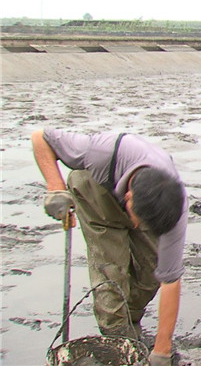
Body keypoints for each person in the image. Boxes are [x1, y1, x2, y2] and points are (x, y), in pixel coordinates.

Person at [32, 129, 187, 366]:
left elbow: (170, 279)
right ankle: (118, 342)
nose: (138, 226)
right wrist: (55, 187)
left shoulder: (173, 206)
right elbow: (40, 137)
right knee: (111, 277)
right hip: (96, 193)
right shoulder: (101, 151)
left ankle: (131, 328)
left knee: (151, 272)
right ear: (129, 198)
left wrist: (162, 351)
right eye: (139, 220)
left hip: (148, 201)